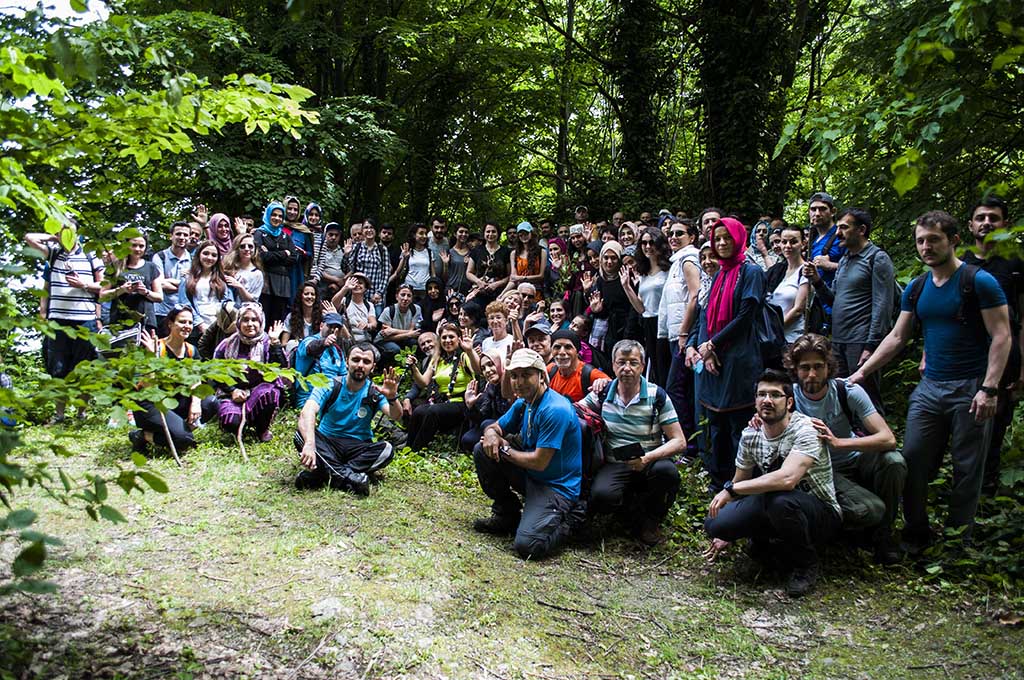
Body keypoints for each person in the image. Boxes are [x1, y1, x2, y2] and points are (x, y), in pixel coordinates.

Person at [850, 210, 1011, 553]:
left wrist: (989, 388)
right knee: (912, 459)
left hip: (971, 387)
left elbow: (1002, 335)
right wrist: (862, 373)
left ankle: (957, 541)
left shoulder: (978, 281)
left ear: (953, 240)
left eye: (933, 239)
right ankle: (916, 532)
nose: (926, 247)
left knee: (967, 467)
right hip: (930, 388)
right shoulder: (919, 287)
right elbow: (897, 336)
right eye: (921, 240)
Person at [704, 369, 841, 596]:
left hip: (819, 512)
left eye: (775, 395)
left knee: (781, 501)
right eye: (761, 394)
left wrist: (731, 489)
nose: (767, 400)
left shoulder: (806, 429)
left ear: (789, 402)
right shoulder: (751, 434)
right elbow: (741, 480)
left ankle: (805, 565)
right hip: (776, 504)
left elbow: (787, 479)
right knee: (715, 522)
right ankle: (767, 547)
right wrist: (729, 528)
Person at [787, 334, 906, 564]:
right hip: (822, 471)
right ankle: (841, 534)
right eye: (805, 368)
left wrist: (839, 443)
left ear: (828, 367)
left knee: (894, 461)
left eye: (818, 367)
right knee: (870, 508)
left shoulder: (847, 391)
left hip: (854, 458)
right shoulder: (789, 397)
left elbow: (888, 438)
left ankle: (883, 535)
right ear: (795, 369)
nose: (812, 374)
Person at [472, 348, 584, 560]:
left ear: (541, 376)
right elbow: (494, 427)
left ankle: (574, 518)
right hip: (530, 475)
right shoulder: (524, 402)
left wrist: (503, 447)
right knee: (483, 450)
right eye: (514, 375)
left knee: (528, 546)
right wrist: (492, 435)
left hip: (556, 487)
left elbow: (539, 462)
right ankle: (507, 514)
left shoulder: (554, 408)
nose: (519, 382)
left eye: (526, 375)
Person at [578, 340, 686, 545]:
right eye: (621, 362)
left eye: (633, 363)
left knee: (667, 473)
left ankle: (651, 522)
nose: (627, 368)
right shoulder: (603, 392)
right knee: (602, 496)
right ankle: (626, 514)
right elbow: (575, 410)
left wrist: (647, 458)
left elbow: (679, 441)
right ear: (613, 365)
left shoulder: (657, 395)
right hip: (615, 463)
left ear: (642, 366)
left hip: (649, 460)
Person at [686, 218, 766, 491]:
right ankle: (718, 478)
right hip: (716, 358)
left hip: (739, 358)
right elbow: (707, 316)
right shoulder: (720, 273)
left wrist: (712, 345)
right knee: (716, 422)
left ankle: (742, 482)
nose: (721, 244)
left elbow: (746, 315)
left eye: (726, 238)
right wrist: (706, 349)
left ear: (738, 239)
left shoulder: (750, 272)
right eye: (717, 239)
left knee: (738, 423)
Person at [960, 196, 1024, 493]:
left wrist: (1022, 367)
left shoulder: (1015, 264)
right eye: (981, 218)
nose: (987, 223)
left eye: (993, 218)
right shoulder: (960, 263)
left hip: (1005, 356)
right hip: (965, 355)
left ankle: (987, 487)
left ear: (1004, 225)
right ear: (971, 224)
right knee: (963, 418)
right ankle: (962, 481)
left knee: (996, 422)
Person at [804, 208, 895, 409]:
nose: (837, 233)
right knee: (842, 399)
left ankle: (878, 439)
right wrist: (817, 280)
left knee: (867, 399)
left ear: (861, 230)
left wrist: (871, 345)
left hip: (861, 341)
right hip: (838, 341)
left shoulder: (876, 258)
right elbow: (833, 299)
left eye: (844, 227)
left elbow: (883, 305)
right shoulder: (845, 260)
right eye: (837, 228)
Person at [295, 343, 402, 495]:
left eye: (366, 362)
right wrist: (310, 444)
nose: (360, 365)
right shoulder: (330, 384)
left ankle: (322, 475)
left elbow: (396, 416)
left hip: (358, 447)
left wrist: (392, 397)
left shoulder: (374, 391)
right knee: (301, 434)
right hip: (328, 443)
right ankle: (350, 477)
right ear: (347, 361)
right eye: (356, 360)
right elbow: (307, 411)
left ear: (372, 367)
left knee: (387, 449)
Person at [26, 226, 105, 422]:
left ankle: (81, 413)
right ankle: (59, 414)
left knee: (84, 369)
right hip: (58, 321)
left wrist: (83, 285)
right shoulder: (53, 253)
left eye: (70, 230)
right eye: (62, 231)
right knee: (58, 368)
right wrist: (54, 237)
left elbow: (104, 287)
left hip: (85, 320)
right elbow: (29, 238)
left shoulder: (90, 255)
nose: (66, 234)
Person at [130, 305, 217, 454]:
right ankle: (142, 436)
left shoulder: (191, 350)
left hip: (176, 400)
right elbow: (147, 386)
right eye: (182, 322)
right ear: (170, 324)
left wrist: (195, 403)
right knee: (184, 440)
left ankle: (179, 432)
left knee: (211, 402)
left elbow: (195, 379)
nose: (187, 326)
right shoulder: (156, 348)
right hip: (151, 405)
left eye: (190, 323)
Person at [213, 303, 290, 442]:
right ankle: (242, 421)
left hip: (258, 392)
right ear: (238, 322)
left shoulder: (267, 342)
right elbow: (216, 373)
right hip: (233, 394)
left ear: (260, 322)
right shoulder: (228, 344)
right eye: (245, 320)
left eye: (254, 320)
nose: (250, 324)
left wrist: (275, 342)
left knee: (270, 393)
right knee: (230, 421)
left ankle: (262, 428)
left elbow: (281, 367)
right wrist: (232, 390)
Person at [660, 220, 702, 457]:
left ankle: (688, 445)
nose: (674, 237)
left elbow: (695, 296)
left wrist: (685, 333)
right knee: (682, 388)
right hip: (675, 333)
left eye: (680, 233)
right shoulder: (676, 261)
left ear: (692, 237)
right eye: (671, 234)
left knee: (675, 388)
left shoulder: (688, 259)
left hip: (683, 336)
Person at [407, 322, 479, 451]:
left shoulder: (464, 356)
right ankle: (408, 448)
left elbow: (478, 370)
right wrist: (413, 368)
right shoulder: (438, 359)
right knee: (419, 411)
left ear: (458, 338)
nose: (447, 340)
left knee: (432, 411)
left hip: (462, 402)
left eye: (451, 337)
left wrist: (470, 350)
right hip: (443, 401)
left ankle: (416, 450)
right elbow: (423, 382)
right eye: (444, 337)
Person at [630, 227, 671, 386]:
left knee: (664, 366)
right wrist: (627, 287)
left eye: (651, 242)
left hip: (664, 322)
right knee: (654, 366)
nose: (648, 246)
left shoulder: (669, 268)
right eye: (644, 243)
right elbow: (641, 308)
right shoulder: (644, 273)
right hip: (648, 323)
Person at [102, 234, 163, 333]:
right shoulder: (115, 266)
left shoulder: (151, 267)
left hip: (146, 320)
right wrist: (122, 290)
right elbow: (103, 295)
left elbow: (160, 297)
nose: (137, 249)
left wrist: (146, 292)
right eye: (134, 245)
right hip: (120, 320)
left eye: (141, 246)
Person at [253, 202, 298, 325]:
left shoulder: (285, 236)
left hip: (283, 283)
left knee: (278, 319)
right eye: (274, 215)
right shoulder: (259, 233)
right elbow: (261, 256)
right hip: (265, 281)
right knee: (263, 316)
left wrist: (271, 255)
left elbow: (294, 257)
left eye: (280, 216)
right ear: (268, 215)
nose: (277, 218)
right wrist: (284, 254)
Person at [292, 312, 349, 409]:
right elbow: (310, 348)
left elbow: (344, 377)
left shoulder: (338, 351)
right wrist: (324, 343)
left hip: (330, 400)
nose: (333, 330)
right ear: (322, 326)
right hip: (307, 399)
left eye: (337, 328)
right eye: (330, 326)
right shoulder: (308, 340)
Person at [177, 240, 231, 342]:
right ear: (198, 255)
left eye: (214, 255)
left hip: (218, 327)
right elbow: (184, 303)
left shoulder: (222, 279)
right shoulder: (187, 278)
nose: (209, 258)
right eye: (206, 253)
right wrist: (200, 324)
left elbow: (227, 303)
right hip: (195, 327)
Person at [461, 349, 511, 452]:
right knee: (468, 438)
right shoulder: (490, 387)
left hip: (511, 427)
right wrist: (471, 406)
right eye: (483, 368)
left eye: (491, 364)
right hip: (492, 427)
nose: (487, 370)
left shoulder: (511, 382)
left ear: (500, 364)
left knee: (486, 424)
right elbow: (482, 417)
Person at [766, 225, 809, 343]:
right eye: (784, 242)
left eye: (793, 242)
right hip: (772, 338)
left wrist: (774, 329)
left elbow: (798, 309)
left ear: (803, 243)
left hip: (791, 338)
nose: (788, 246)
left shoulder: (806, 271)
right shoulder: (777, 270)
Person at [546, 330, 609, 403]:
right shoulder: (550, 369)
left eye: (568, 347)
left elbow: (616, 387)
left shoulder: (589, 374)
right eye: (557, 347)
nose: (562, 352)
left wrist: (604, 383)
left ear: (577, 351)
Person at [152, 221, 192, 333]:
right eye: (178, 234)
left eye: (185, 235)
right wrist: (184, 284)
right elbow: (160, 284)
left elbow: (195, 285)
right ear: (171, 236)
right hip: (162, 312)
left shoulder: (193, 259)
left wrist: (170, 282)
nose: (182, 237)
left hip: (185, 314)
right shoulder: (160, 257)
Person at [343, 219, 390, 311]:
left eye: (372, 227)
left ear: (376, 231)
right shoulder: (356, 247)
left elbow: (386, 274)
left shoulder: (382, 249)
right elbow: (347, 269)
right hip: (357, 294)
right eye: (366, 227)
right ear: (362, 231)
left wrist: (379, 293)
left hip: (376, 296)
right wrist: (346, 255)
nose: (369, 230)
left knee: (374, 323)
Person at [466, 220, 511, 305]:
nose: (490, 234)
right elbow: (469, 272)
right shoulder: (476, 251)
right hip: (479, 291)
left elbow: (509, 275)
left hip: (499, 293)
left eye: (493, 231)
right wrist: (478, 282)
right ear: (484, 233)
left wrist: (496, 284)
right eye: (488, 231)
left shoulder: (505, 252)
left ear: (498, 234)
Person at [377, 284, 422, 364]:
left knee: (414, 343)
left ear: (412, 299)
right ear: (397, 297)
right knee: (395, 349)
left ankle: (411, 367)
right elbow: (386, 337)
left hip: (401, 338)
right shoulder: (388, 311)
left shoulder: (415, 309)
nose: (405, 298)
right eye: (402, 295)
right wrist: (408, 334)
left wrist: (393, 330)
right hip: (383, 341)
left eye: (409, 296)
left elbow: (411, 331)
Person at [331, 273, 377, 344]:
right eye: (355, 282)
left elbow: (373, 323)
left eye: (360, 283)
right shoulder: (344, 301)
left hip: (364, 341)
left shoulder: (369, 305)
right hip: (345, 340)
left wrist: (368, 325)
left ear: (365, 288)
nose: (357, 285)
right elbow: (333, 304)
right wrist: (345, 287)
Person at [281, 282, 324, 356]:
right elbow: (284, 343)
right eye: (306, 294)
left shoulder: (322, 316)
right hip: (298, 355)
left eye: (312, 294)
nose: (310, 297)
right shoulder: (291, 316)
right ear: (300, 296)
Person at [506, 221, 547, 297]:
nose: (523, 237)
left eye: (526, 234)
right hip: (520, 291)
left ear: (531, 234)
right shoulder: (514, 253)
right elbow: (513, 279)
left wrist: (521, 278)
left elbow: (541, 276)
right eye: (521, 235)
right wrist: (502, 294)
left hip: (536, 291)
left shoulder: (541, 252)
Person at [396, 223, 436, 300]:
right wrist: (404, 257)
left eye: (425, 234)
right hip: (409, 289)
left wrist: (433, 287)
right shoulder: (407, 250)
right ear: (414, 235)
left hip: (425, 289)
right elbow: (398, 272)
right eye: (421, 233)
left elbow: (433, 274)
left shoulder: (429, 252)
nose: (424, 236)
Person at [222, 233, 264, 304]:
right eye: (242, 246)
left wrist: (240, 287)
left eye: (250, 246)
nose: (247, 249)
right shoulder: (227, 267)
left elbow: (253, 301)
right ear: (237, 249)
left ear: (255, 249)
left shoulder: (257, 274)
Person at [310, 221, 346, 299]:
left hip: (340, 288)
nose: (333, 237)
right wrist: (335, 280)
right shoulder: (320, 250)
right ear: (325, 235)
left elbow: (349, 269)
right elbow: (317, 268)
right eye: (330, 234)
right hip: (322, 287)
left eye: (336, 235)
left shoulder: (343, 251)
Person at [442, 222, 472, 295]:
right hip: (451, 289)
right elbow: (445, 277)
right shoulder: (449, 252)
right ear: (455, 234)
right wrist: (445, 264)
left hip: (467, 290)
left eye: (466, 232)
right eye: (461, 232)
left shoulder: (472, 253)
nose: (464, 234)